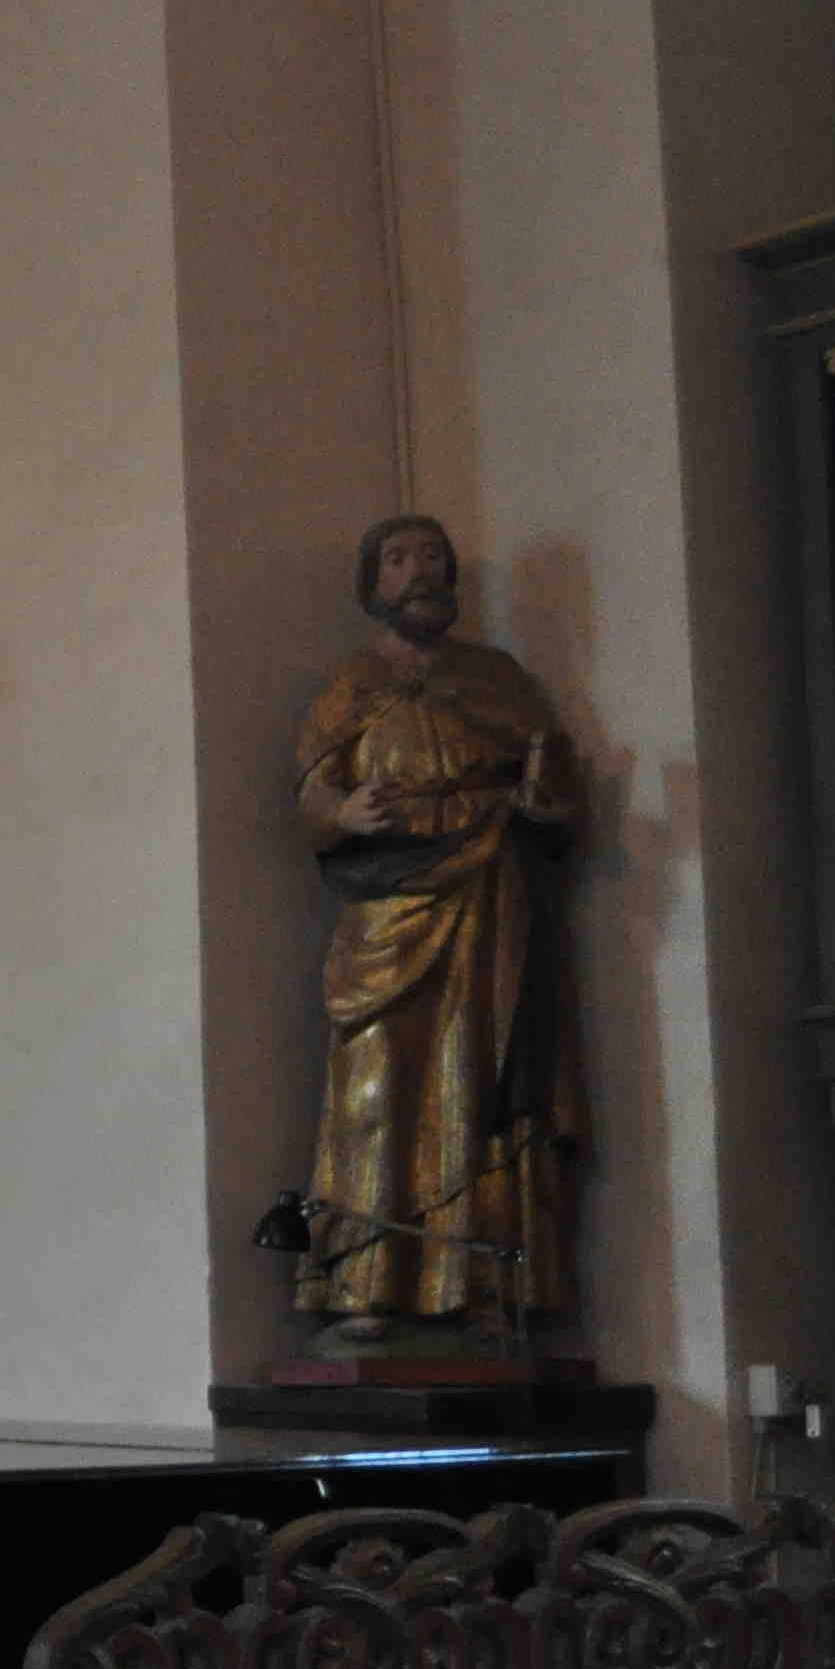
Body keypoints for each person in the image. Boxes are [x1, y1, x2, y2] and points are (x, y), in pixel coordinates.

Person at [290, 514, 581, 1337]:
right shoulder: (348, 683)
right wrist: (343, 811)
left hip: (492, 896)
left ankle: (487, 1283)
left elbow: (553, 780)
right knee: (377, 1081)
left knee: (484, 1077)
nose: (417, 570)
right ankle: (366, 1280)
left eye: (431, 557)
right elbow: (311, 791)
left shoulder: (498, 677)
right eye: (397, 558)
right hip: (390, 901)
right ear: (372, 584)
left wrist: (540, 797)